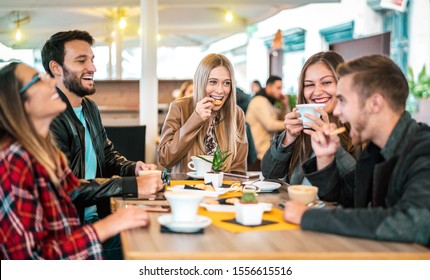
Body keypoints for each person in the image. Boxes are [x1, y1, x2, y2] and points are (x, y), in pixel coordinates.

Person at [0, 62, 152, 259]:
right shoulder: (13, 163)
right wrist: (106, 226)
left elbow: (72, 190)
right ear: (18, 103)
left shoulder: (47, 153)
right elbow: (31, 261)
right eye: (38, 79)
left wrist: (132, 178)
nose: (51, 81)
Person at [283, 55, 430, 247]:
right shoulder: (374, 152)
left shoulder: (424, 150)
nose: (336, 112)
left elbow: (413, 224)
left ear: (375, 103)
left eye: (342, 100)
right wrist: (326, 158)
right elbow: (346, 201)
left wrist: (309, 217)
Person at [41, 30, 163, 259]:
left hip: (99, 217)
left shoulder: (89, 107)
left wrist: (133, 168)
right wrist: (132, 185)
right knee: (154, 244)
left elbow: (106, 155)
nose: (93, 68)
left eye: (92, 60)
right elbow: (68, 189)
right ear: (56, 68)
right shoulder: (50, 116)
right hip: (73, 231)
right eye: (81, 60)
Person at [261, 51, 357, 184]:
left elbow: (358, 187)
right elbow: (269, 173)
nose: (317, 92)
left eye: (326, 82)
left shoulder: (358, 130)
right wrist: (288, 138)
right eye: (309, 85)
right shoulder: (301, 130)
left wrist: (334, 148)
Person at [158, 53, 248, 173]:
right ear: (201, 81)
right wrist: (195, 119)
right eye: (213, 82)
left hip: (222, 190)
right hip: (185, 188)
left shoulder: (236, 114)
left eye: (226, 83)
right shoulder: (180, 107)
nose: (220, 90)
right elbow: (165, 159)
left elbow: (239, 170)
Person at [246, 76, 289, 168]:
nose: (281, 92)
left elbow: (282, 119)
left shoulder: (268, 102)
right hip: (258, 156)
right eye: (278, 88)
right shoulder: (259, 101)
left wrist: (285, 105)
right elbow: (270, 125)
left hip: (265, 154)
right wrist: (291, 124)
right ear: (269, 87)